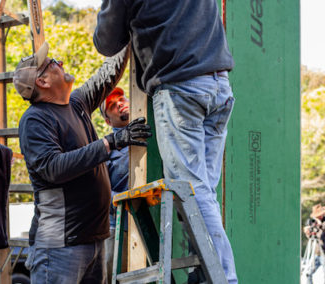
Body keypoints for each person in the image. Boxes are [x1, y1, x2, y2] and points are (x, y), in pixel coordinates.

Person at [93, 1, 238, 283]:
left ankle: (223, 278)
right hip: (219, 84)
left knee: (193, 192)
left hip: (181, 87)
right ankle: (206, 272)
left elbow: (106, 41)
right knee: (203, 192)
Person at [13, 42, 151, 284]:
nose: (61, 63)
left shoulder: (76, 104)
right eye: (52, 63)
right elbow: (52, 167)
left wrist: (127, 30)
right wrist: (111, 142)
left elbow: (109, 73)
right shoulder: (35, 120)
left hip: (93, 239)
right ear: (42, 82)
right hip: (59, 247)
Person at [99, 87, 130, 281]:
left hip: (153, 222)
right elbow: (100, 190)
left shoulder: (153, 131)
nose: (119, 102)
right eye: (112, 104)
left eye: (121, 97)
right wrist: (122, 201)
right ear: (108, 121)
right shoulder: (106, 150)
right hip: (117, 228)